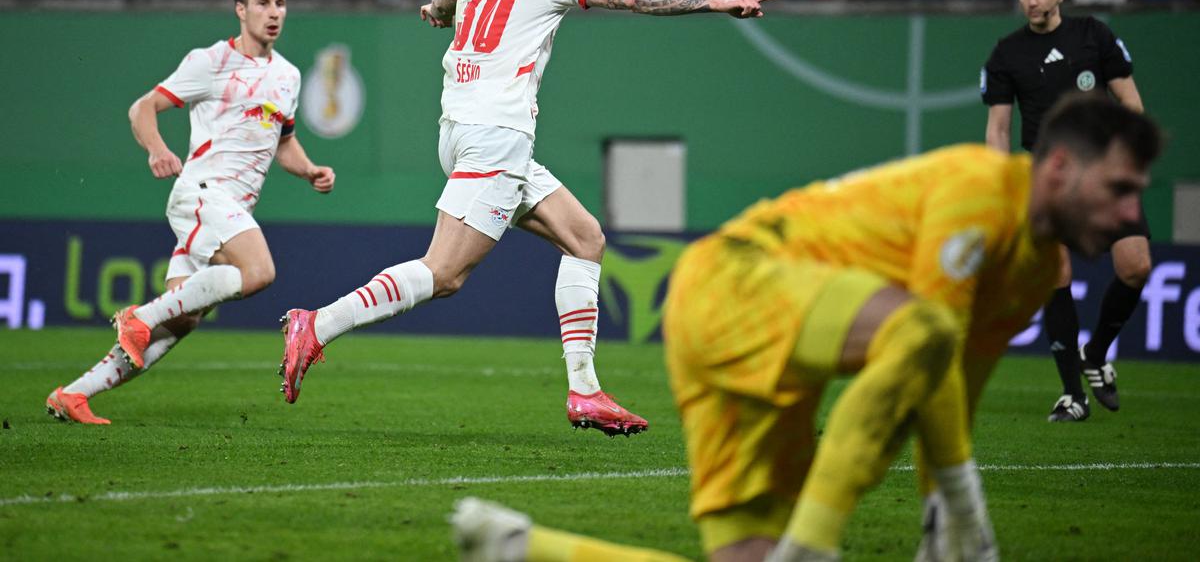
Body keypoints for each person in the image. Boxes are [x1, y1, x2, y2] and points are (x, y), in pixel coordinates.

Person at [448, 94, 1161, 562]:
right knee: (921, 333)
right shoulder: (982, 190)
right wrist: (965, 518)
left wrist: (946, 517)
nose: (1131, 215)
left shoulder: (1038, 267)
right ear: (1061, 167)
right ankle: (811, 548)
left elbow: (949, 395)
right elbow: (924, 338)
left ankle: (522, 547)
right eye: (1121, 189)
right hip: (739, 281)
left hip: (761, 330)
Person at [277, 0, 777, 436]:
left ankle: (586, 391)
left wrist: (437, 13)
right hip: (496, 136)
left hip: (461, 130)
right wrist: (716, 2)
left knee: (585, 237)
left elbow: (441, 1)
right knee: (443, 274)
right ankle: (317, 324)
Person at [46, 0, 335, 425]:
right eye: (263, 3)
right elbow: (142, 107)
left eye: (280, 3)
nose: (274, 12)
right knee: (258, 271)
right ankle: (138, 318)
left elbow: (283, 143)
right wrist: (158, 150)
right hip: (203, 194)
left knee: (181, 322)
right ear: (240, 10)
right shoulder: (211, 61)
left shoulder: (288, 75)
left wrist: (310, 170)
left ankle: (75, 394)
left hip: (231, 208)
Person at [981, 0, 1151, 422]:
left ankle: (1095, 353)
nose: (1031, 1)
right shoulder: (1006, 54)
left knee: (1136, 267)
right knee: (1055, 275)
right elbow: (998, 128)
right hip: (1048, 179)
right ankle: (1072, 394)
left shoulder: (1093, 36)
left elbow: (1130, 101)